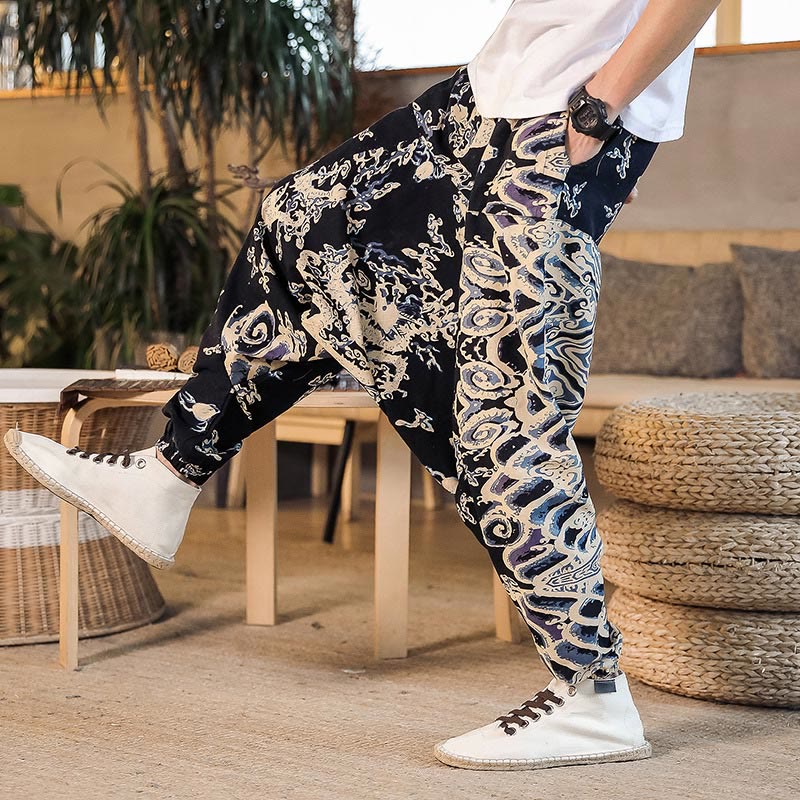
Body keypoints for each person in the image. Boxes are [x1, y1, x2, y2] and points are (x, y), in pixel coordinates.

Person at [5, 0, 721, 772]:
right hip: (492, 92)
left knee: (502, 415)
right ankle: (171, 472)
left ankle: (591, 693)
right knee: (300, 220)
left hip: (560, 116)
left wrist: (607, 110)